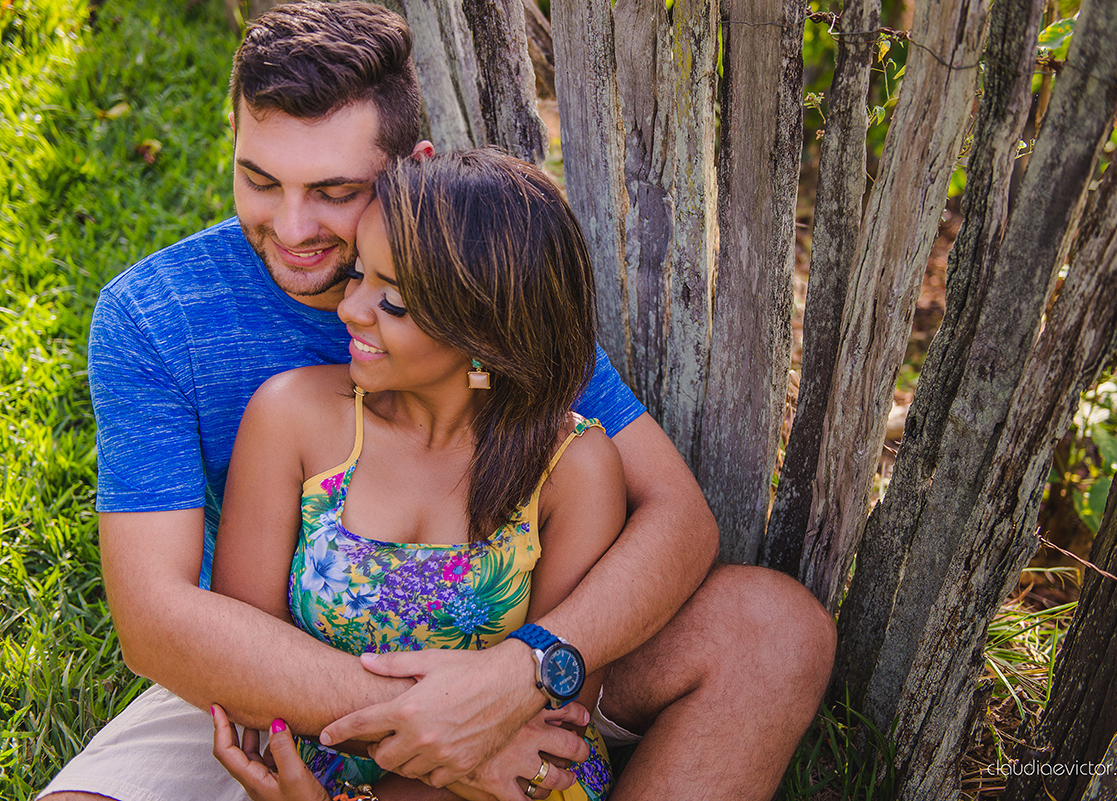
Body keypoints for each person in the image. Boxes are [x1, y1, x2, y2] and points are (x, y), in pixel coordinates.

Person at [41, 3, 836, 801]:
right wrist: (441, 719)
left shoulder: (480, 278)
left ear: (413, 168)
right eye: (259, 179)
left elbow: (678, 516)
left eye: (334, 189)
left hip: (515, 648)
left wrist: (523, 672)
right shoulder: (156, 316)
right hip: (275, 663)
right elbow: (156, 618)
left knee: (771, 628)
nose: (291, 227)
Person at [211, 147, 624, 801]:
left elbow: (556, 714)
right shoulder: (293, 416)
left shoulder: (573, 467)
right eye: (358, 276)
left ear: (487, 327)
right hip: (315, 768)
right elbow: (239, 656)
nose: (350, 309)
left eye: (393, 302)